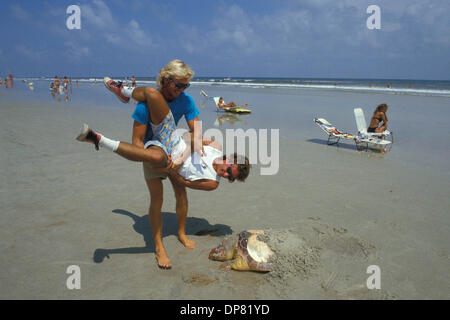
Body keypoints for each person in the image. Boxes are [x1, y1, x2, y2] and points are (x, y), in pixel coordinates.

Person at [101, 60, 203, 269]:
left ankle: (181, 233)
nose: (182, 90)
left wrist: (185, 153)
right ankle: (158, 247)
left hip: (175, 152)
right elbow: (137, 141)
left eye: (186, 86)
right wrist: (151, 161)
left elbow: (196, 130)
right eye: (178, 85)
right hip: (152, 152)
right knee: (157, 198)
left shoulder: (186, 100)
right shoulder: (144, 105)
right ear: (165, 80)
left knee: (181, 193)